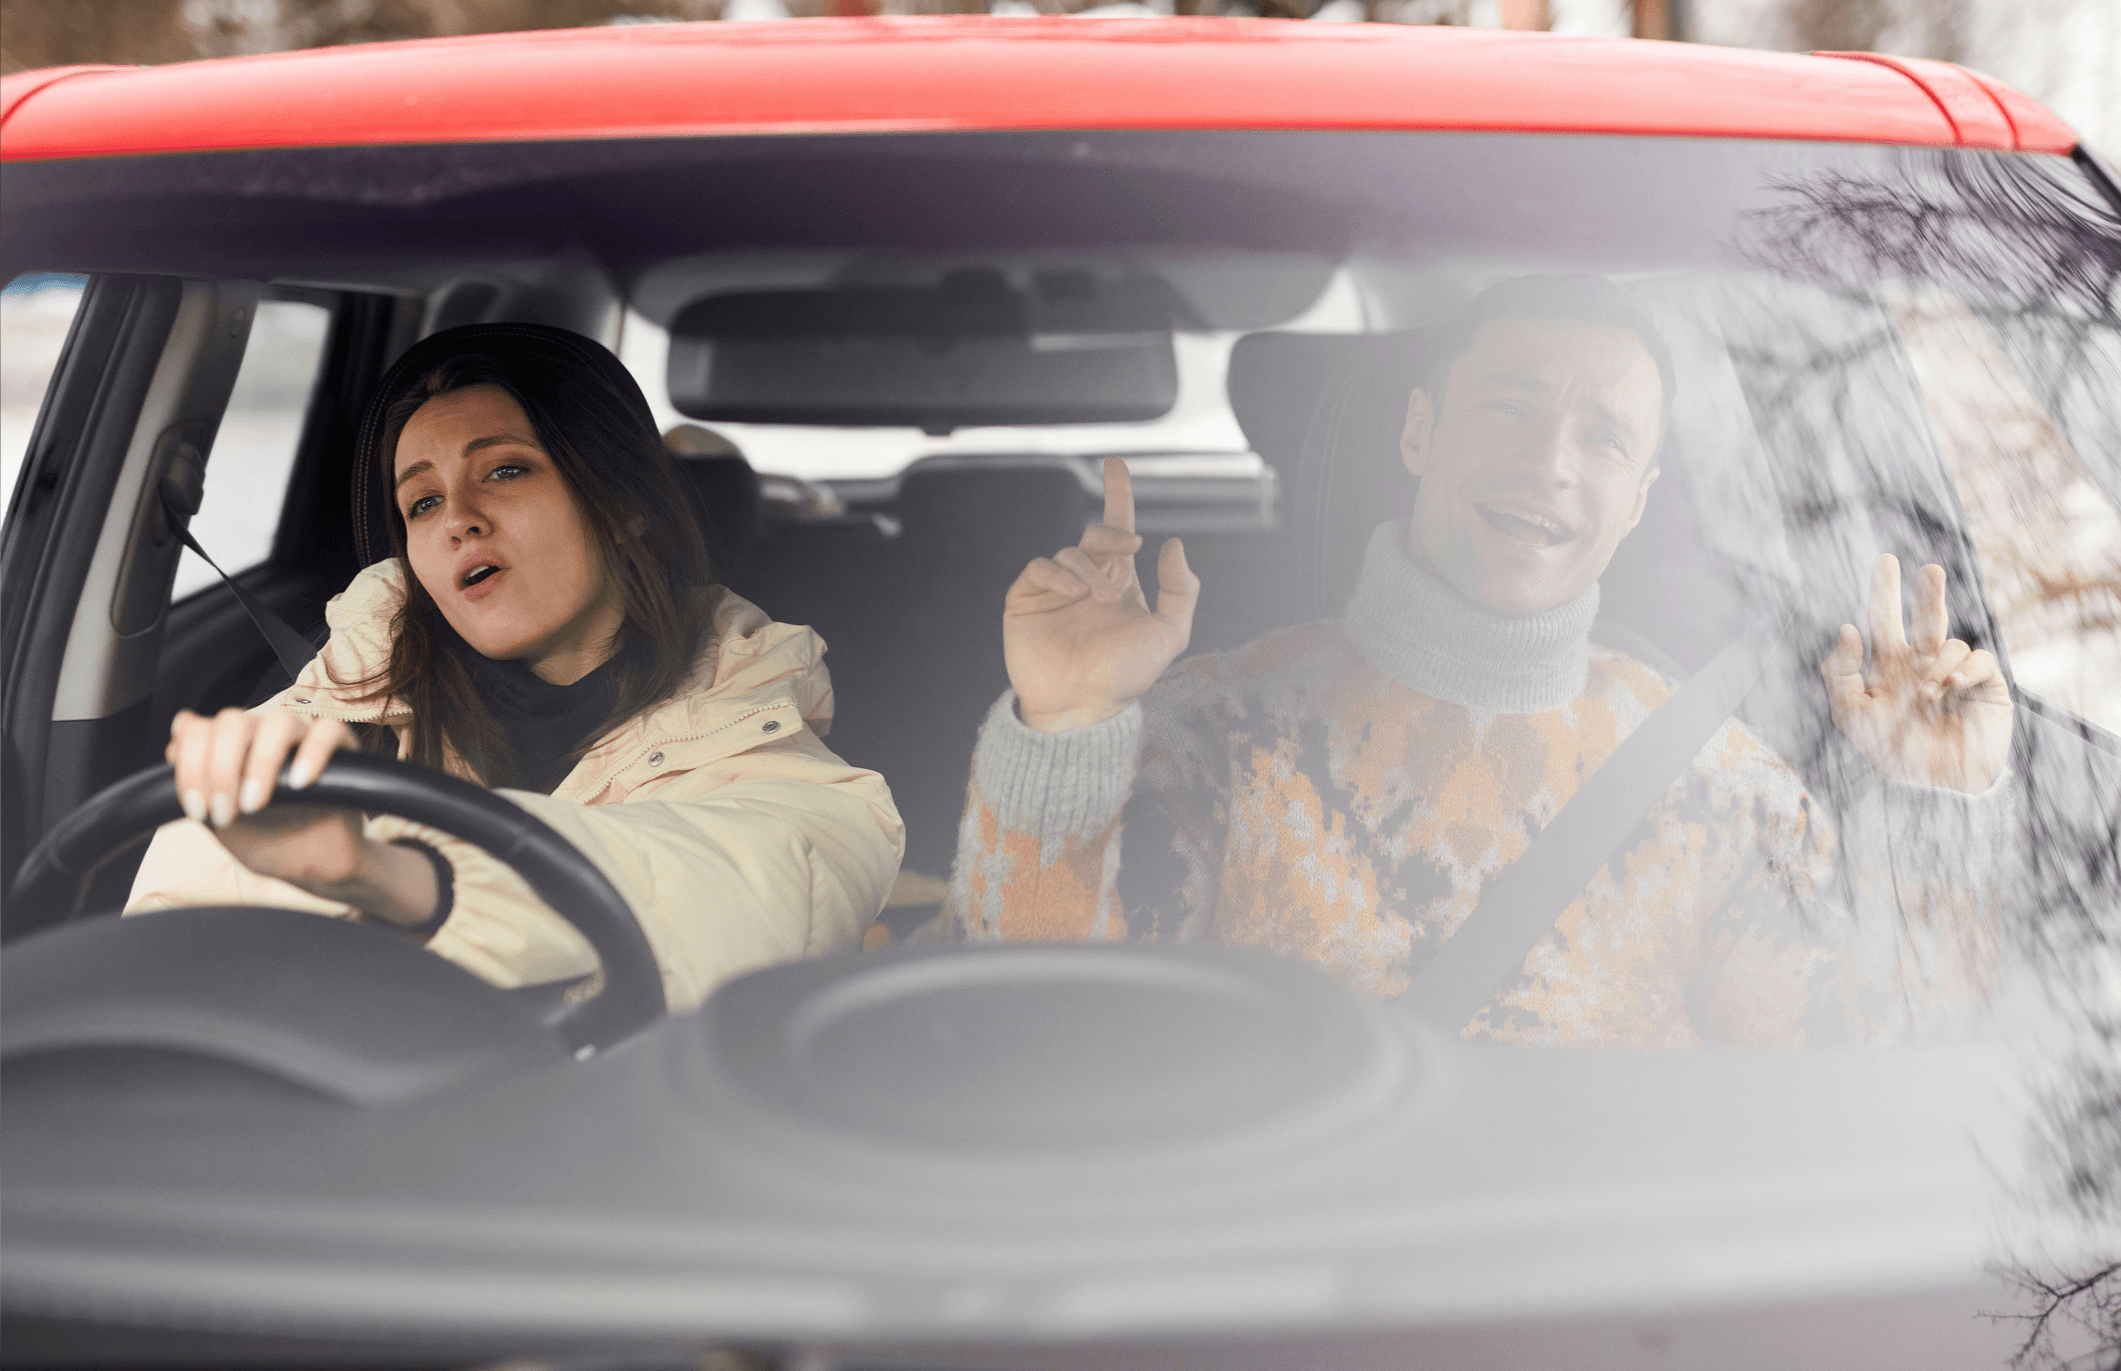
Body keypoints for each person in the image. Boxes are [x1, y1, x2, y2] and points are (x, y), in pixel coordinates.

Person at [945, 276, 2014, 1046]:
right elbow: (1033, 1041)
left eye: (1601, 438)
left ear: (1638, 498)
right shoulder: (1213, 731)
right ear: (1420, 433)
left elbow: (1874, 1085)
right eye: (1510, 405)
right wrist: (1068, 722)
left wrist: (1935, 805)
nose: (1548, 463)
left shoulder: (1727, 793)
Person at [127, 323, 904, 1011]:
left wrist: (394, 876)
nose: (458, 517)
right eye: (422, 503)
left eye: (503, 470)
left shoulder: (751, 717)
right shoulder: (336, 703)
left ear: (621, 503)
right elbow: (167, 961)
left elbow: (769, 887)